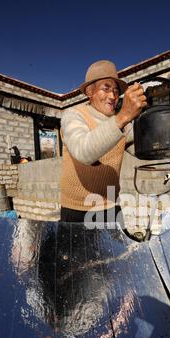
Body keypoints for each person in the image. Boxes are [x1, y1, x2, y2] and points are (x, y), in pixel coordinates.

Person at [60, 60, 147, 225]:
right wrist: (123, 116)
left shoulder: (122, 124)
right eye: (106, 89)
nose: (113, 96)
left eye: (116, 91)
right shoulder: (73, 115)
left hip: (111, 207)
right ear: (90, 91)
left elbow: (147, 151)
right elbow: (83, 152)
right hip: (77, 211)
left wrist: (169, 121)